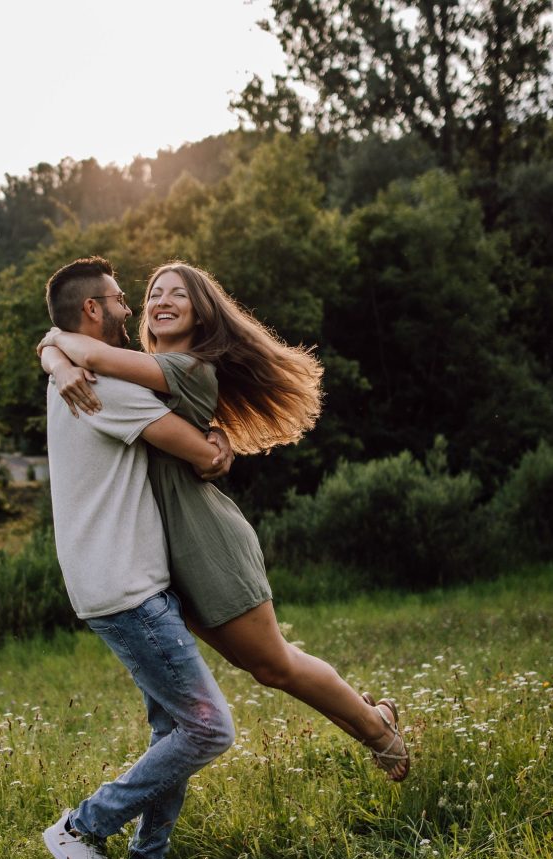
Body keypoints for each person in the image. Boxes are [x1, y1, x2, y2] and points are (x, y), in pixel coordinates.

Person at [38, 261, 410, 782]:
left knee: (273, 663)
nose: (160, 301)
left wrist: (55, 350)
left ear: (201, 313)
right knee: (259, 666)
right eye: (153, 294)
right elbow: (77, 345)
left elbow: (86, 348)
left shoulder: (186, 367)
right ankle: (373, 717)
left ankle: (379, 732)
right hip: (160, 549)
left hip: (203, 537)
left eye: (178, 296)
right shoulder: (137, 366)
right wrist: (55, 356)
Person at [39, 257, 237, 859]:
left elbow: (53, 343)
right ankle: (82, 827)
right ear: (93, 311)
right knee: (209, 728)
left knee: (174, 731)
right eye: (122, 300)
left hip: (123, 582)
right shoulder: (103, 387)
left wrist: (53, 353)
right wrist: (217, 443)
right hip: (126, 589)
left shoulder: (71, 377)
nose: (131, 310)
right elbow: (202, 454)